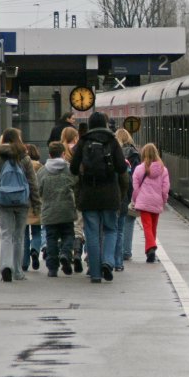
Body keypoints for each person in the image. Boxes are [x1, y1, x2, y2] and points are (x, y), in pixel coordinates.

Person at [69, 112, 127, 283]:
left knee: (92, 234)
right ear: (105, 124)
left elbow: (72, 169)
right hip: (109, 193)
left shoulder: (84, 141)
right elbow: (122, 168)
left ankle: (95, 273)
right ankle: (108, 262)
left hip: (89, 194)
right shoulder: (112, 141)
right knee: (110, 230)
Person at [0, 128, 41, 282]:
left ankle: (5, 266)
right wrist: (36, 203)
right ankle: (17, 271)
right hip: (22, 201)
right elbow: (32, 182)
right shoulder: (24, 157)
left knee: (6, 234)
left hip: (4, 200)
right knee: (18, 236)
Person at [38, 141, 78, 277]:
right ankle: (66, 254)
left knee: (51, 239)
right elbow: (76, 184)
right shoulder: (69, 169)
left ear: (49, 154)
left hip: (49, 211)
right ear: (63, 153)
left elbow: (38, 190)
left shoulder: (42, 171)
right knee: (69, 235)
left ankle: (52, 268)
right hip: (66, 209)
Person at [131, 143, 169, 263]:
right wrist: (164, 200)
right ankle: (150, 251)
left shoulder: (139, 169)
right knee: (153, 226)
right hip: (157, 201)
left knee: (146, 226)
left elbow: (135, 188)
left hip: (143, 202)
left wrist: (136, 200)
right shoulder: (163, 170)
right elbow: (165, 188)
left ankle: (151, 248)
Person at [115, 128, 141, 268]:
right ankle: (125, 251)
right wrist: (133, 195)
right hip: (127, 192)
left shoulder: (113, 152)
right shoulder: (134, 153)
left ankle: (113, 255)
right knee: (127, 222)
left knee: (113, 227)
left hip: (114, 193)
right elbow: (136, 175)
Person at [61, 126, 86, 273]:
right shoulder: (78, 150)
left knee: (64, 227)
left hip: (62, 197)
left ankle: (65, 253)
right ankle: (77, 253)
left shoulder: (60, 152)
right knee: (78, 226)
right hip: (77, 195)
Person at [22, 144, 45, 272]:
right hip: (36, 202)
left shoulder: (22, 166)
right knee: (37, 231)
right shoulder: (40, 168)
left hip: (24, 202)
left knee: (24, 233)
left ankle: (24, 262)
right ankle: (35, 249)